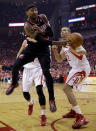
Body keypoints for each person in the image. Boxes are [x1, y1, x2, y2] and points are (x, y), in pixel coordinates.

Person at [6, 4, 66, 112]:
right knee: (15, 66)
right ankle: (14, 83)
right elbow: (40, 40)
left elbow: (50, 33)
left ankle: (52, 100)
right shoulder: (27, 26)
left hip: (44, 50)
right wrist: (59, 42)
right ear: (27, 13)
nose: (34, 12)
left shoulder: (43, 17)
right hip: (33, 48)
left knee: (47, 73)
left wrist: (41, 31)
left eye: (35, 10)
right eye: (32, 10)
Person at [52, 27, 91, 129]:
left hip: (82, 68)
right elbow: (59, 59)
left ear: (70, 33)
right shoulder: (63, 45)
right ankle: (74, 111)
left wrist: (73, 49)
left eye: (64, 30)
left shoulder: (74, 41)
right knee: (68, 90)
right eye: (61, 30)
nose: (62, 31)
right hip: (74, 69)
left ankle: (81, 116)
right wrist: (55, 51)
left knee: (66, 89)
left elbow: (83, 52)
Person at [17, 39, 47, 126]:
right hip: (27, 69)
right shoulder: (25, 41)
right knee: (25, 93)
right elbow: (19, 52)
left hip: (38, 68)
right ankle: (31, 102)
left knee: (39, 91)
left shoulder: (43, 42)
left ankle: (43, 115)